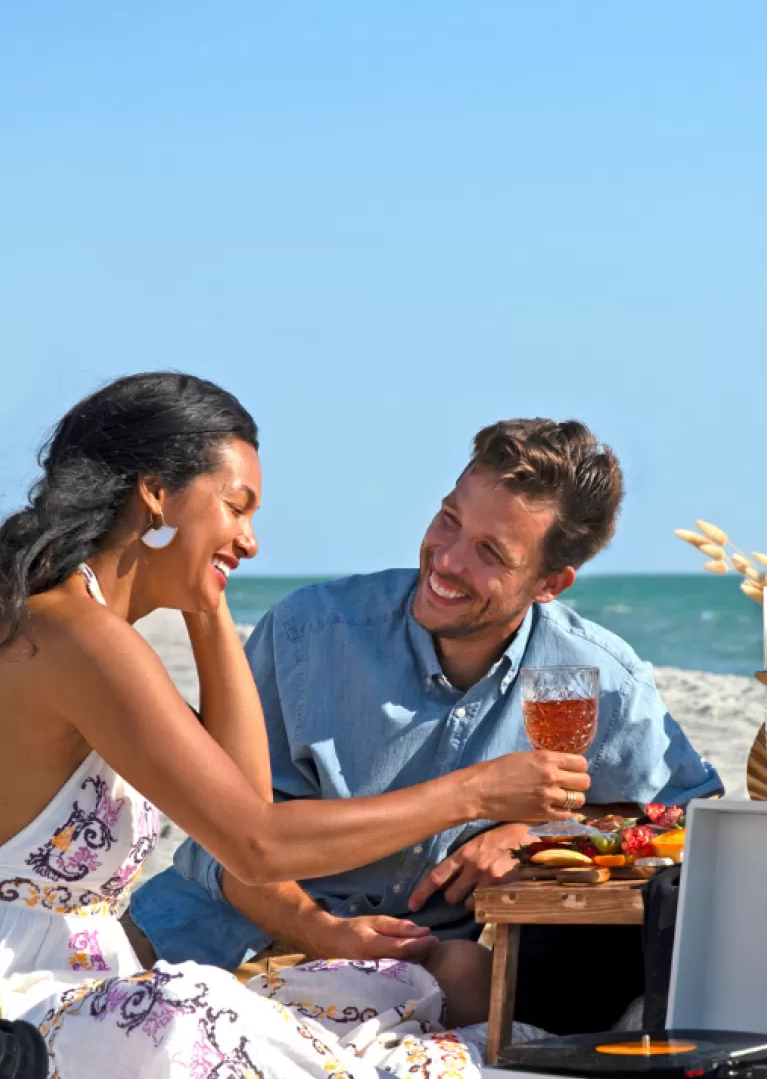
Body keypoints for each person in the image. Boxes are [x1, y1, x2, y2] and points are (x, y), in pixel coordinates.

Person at [0, 373, 591, 1079]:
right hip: (21, 1014)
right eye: (236, 508)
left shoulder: (105, 633)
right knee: (201, 1014)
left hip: (97, 990)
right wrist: (475, 791)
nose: (248, 538)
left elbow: (242, 805)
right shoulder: (73, 635)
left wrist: (208, 617)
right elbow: (256, 844)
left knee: (412, 981)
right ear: (157, 496)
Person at [130, 417, 723, 1035]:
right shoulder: (308, 632)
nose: (447, 558)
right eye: (449, 519)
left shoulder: (598, 675)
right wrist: (318, 932)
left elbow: (686, 819)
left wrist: (535, 832)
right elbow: (227, 840)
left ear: (550, 583)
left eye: (490, 553)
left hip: (412, 976)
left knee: (472, 985)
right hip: (216, 938)